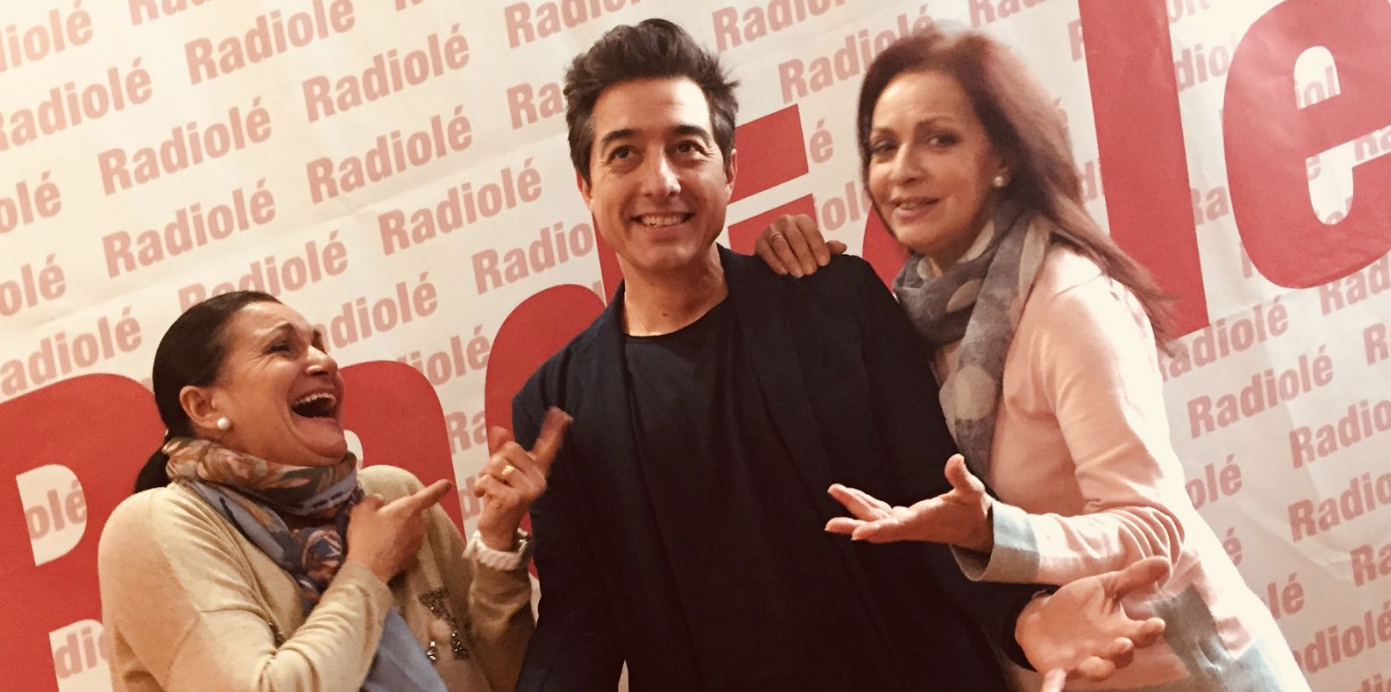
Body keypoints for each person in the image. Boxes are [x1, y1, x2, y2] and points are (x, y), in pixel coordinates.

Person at [506, 19, 1168, 692]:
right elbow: (581, 620)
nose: (661, 181)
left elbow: (930, 492)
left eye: (686, 148)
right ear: (586, 184)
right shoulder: (557, 403)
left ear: (729, 169)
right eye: (623, 154)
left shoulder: (831, 300)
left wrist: (1025, 617)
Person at [753, 27, 1310, 691]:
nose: (903, 169)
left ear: (1003, 159)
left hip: (1185, 672)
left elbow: (1154, 524)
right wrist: (790, 262)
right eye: (883, 147)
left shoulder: (1068, 302)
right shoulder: (910, 315)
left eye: (939, 139)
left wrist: (998, 534)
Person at [99, 291, 565, 692]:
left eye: (319, 345)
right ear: (203, 406)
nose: (325, 362)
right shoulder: (156, 524)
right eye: (282, 348)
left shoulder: (391, 495)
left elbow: (508, 682)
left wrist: (497, 543)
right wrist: (367, 569)